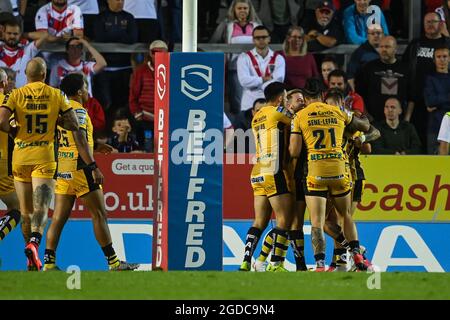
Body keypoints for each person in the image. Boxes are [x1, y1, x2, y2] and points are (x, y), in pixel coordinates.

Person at [43, 73, 139, 271]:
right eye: (85, 87)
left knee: (59, 217)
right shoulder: (78, 112)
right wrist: (93, 166)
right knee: (99, 214)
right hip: (81, 168)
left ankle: (49, 263)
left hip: (63, 168)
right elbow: (78, 139)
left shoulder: (62, 110)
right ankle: (113, 262)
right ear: (79, 91)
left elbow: (70, 139)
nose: (87, 91)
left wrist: (94, 145)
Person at [0, 58, 79, 271]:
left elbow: (1, 122)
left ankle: (30, 260)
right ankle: (34, 243)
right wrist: (56, 121)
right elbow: (73, 123)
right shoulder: (57, 95)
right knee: (41, 208)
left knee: (25, 212)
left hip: (20, 157)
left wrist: (16, 131)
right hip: (44, 157)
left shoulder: (15, 94)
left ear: (26, 74)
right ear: (45, 75)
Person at [289, 85, 370, 271]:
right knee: (345, 215)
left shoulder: (300, 116)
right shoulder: (337, 111)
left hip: (316, 173)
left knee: (317, 221)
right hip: (340, 171)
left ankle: (319, 264)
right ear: (322, 96)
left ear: (306, 99)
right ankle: (356, 252)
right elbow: (365, 126)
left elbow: (294, 151)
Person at [239, 82, 294, 272]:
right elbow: (298, 122)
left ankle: (246, 261)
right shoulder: (277, 112)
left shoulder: (257, 116)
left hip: (257, 172)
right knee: (285, 220)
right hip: (273, 169)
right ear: (280, 99)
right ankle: (275, 264)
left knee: (259, 222)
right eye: (286, 98)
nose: (287, 102)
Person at [402, 12, 450, 152]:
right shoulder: (416, 44)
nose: (430, 25)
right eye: (427, 22)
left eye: (433, 22)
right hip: (417, 102)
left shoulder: (446, 43)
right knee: (421, 141)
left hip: (440, 110)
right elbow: (405, 69)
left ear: (440, 24)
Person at [210, 0, 261, 115]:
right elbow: (214, 42)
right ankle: (240, 129)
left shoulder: (256, 26)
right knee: (237, 102)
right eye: (239, 8)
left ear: (249, 10)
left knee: (255, 100)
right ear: (234, 10)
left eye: (245, 8)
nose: (242, 11)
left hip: (255, 70)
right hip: (235, 68)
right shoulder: (227, 26)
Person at [93, 0, 138, 116]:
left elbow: (132, 39)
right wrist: (122, 34)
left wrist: (112, 34)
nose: (120, 2)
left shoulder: (129, 17)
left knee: (122, 104)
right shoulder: (100, 18)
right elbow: (99, 37)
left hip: (124, 68)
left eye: (122, 0)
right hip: (105, 70)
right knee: (105, 103)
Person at [356, 36, 413, 123]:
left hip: (398, 122)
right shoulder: (369, 68)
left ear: (395, 49)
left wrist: (407, 119)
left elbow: (412, 97)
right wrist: (366, 115)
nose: (383, 50)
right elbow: (360, 94)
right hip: (373, 120)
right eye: (381, 47)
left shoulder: (405, 69)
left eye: (387, 47)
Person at [237, 25, 285, 116]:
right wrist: (264, 79)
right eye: (258, 38)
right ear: (253, 40)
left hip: (270, 105)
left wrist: (255, 82)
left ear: (269, 38)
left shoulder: (279, 58)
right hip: (249, 105)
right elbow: (244, 81)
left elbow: (278, 82)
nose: (261, 40)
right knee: (248, 130)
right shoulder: (244, 57)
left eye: (264, 37)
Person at [129, 40, 168, 152]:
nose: (159, 55)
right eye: (155, 52)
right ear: (150, 54)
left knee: (164, 149)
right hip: (146, 117)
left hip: (165, 118)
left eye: (162, 52)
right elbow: (133, 95)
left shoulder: (172, 70)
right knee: (147, 148)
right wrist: (137, 112)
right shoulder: (141, 71)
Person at [0, 68, 21, 244]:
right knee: (16, 207)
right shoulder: (8, 105)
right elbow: (18, 129)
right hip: (2, 162)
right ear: (4, 83)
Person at [0, 19, 48, 88]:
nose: (12, 36)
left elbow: (44, 35)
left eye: (15, 34)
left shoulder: (27, 50)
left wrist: (24, 35)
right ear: (3, 33)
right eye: (9, 33)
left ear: (20, 34)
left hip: (21, 96)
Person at [424, 46, 450, 154]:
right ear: (434, 59)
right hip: (435, 127)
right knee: (434, 165)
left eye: (445, 56)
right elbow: (430, 101)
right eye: (439, 57)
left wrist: (438, 103)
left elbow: (434, 103)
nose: (442, 59)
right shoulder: (429, 78)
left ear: (449, 58)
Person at [347, 23, 383, 89]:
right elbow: (350, 76)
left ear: (382, 34)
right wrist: (353, 94)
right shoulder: (359, 52)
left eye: (378, 33)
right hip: (365, 90)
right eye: (372, 33)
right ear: (367, 36)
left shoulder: (387, 50)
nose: (376, 36)